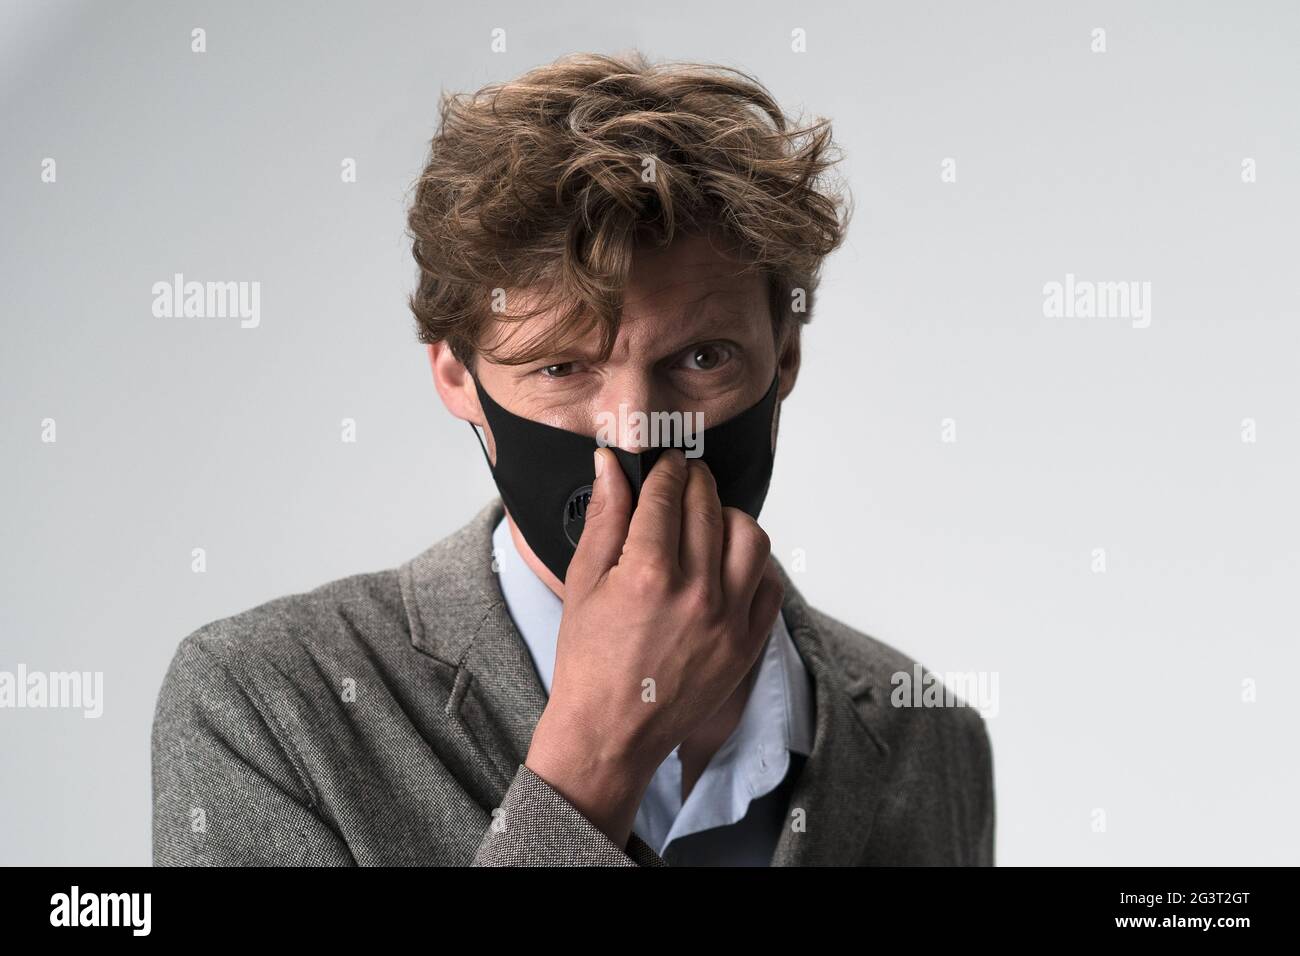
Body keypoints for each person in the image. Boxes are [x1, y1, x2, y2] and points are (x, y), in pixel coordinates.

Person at [151, 51, 994, 866]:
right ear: (457, 375)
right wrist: (594, 761)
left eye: (702, 359)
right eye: (561, 367)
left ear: (785, 361)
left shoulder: (928, 736)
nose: (633, 432)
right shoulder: (267, 706)